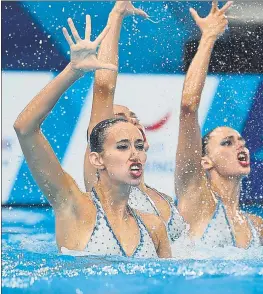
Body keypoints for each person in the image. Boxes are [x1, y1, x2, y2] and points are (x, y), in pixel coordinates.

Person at [13, 15, 171, 258]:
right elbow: (25, 128)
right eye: (122, 147)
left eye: (138, 145)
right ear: (97, 159)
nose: (134, 154)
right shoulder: (72, 205)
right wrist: (72, 71)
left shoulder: (154, 226)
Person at [83, 1, 187, 243]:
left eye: (134, 120)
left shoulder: (164, 200)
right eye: (119, 121)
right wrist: (117, 15)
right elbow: (104, 87)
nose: (130, 124)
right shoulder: (97, 175)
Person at [175, 0, 263, 248]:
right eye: (227, 143)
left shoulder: (257, 225)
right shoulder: (195, 199)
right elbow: (188, 107)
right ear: (205, 161)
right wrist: (208, 38)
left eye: (241, 141)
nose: (240, 147)